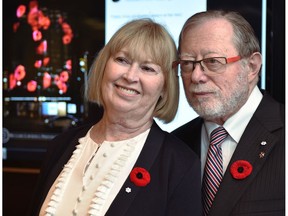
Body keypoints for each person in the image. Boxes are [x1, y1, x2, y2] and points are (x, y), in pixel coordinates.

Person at [28, 18, 201, 216]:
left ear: (164, 86)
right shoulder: (60, 146)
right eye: (122, 60)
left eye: (147, 68)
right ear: (104, 66)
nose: (130, 76)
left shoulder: (179, 165)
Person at [172, 10, 285, 216]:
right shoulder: (175, 145)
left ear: (252, 66)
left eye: (213, 61)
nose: (196, 76)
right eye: (187, 64)